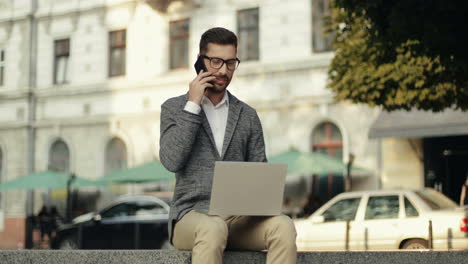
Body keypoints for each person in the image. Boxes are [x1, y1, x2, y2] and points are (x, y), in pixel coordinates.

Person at [159, 27, 297, 264]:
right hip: (190, 219)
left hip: (238, 221)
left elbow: (259, 173)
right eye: (215, 62)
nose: (223, 70)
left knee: (283, 226)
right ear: (200, 62)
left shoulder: (247, 115)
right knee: (212, 228)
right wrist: (193, 105)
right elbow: (171, 160)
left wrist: (264, 196)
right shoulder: (174, 108)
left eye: (230, 63)